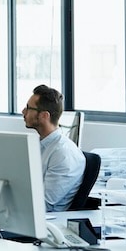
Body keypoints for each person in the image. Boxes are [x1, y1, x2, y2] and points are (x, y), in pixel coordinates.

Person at [23, 84, 85, 212]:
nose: (23, 112)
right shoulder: (39, 145)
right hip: (24, 213)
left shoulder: (63, 153)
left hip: (47, 220)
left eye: (29, 108)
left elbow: (44, 204)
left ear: (44, 116)